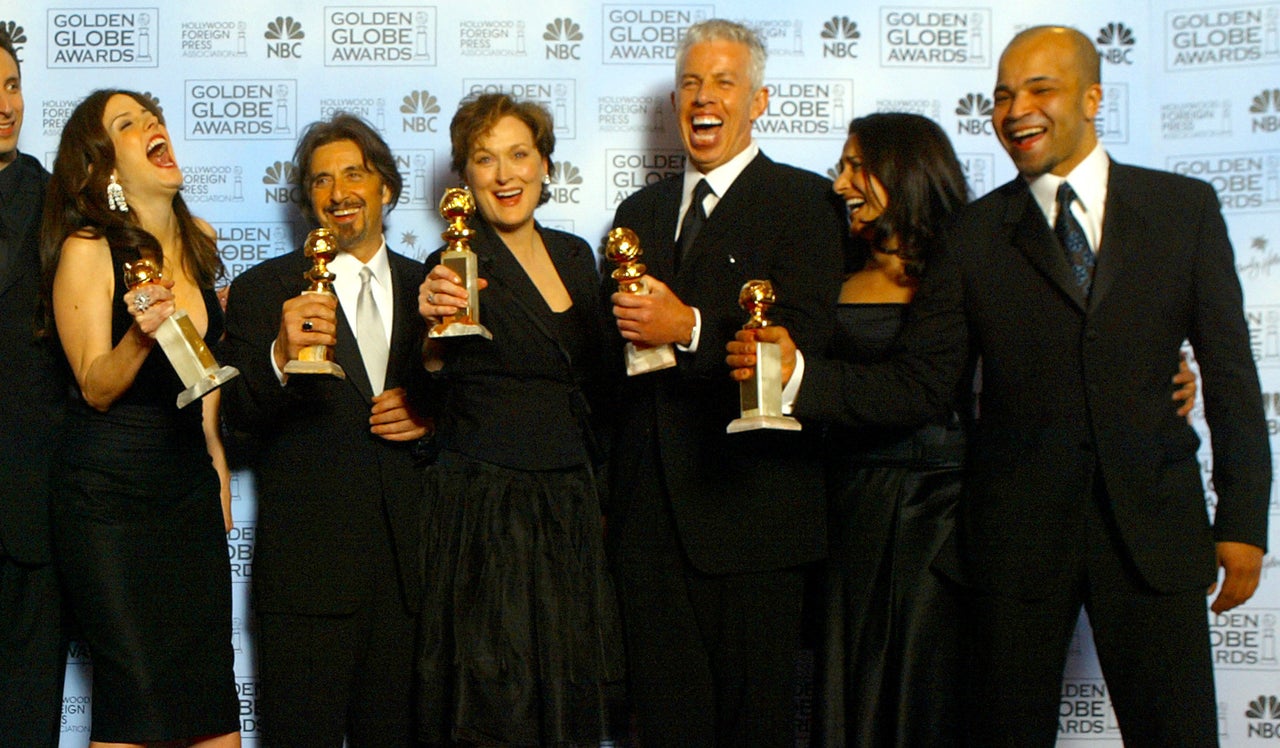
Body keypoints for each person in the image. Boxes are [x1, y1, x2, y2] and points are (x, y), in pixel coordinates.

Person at [730, 25, 1269, 746]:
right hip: (1016, 540)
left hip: (1153, 531)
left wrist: (1240, 523)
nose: (1018, 110)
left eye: (1040, 89)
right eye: (1003, 96)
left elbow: (1232, 374)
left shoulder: (1184, 209)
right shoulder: (975, 233)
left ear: (1092, 96)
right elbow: (921, 384)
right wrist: (794, 377)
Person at [604, 18, 845, 745]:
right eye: (690, 83)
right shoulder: (636, 215)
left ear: (759, 101)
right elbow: (606, 367)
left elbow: (806, 341)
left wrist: (692, 329)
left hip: (755, 521)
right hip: (649, 531)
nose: (703, 98)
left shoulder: (806, 202)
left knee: (755, 728)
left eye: (723, 82)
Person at [416, 92, 623, 746]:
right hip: (488, 509)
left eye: (519, 155)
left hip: (568, 504)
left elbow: (599, 386)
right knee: (495, 702)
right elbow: (423, 388)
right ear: (465, 177)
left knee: (568, 692)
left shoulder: (575, 257)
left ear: (544, 166)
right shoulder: (451, 264)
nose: (505, 175)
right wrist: (429, 335)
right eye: (485, 160)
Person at [219, 112, 431, 747]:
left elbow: (480, 419)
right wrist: (279, 362)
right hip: (307, 584)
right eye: (320, 181)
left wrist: (431, 420)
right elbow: (234, 433)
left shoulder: (436, 287)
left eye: (354, 174)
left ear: (386, 188)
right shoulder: (262, 292)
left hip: (412, 581)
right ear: (307, 200)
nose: (338, 191)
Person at [41, 89, 240, 747]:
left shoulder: (200, 240)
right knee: (137, 704)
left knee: (212, 703)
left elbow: (204, 380)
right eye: (127, 124)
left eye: (152, 115)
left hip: (187, 496)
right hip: (109, 504)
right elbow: (96, 386)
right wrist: (142, 333)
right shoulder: (89, 248)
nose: (152, 124)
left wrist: (215, 471)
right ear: (103, 170)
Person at [0, 29, 68, 748]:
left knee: (26, 716)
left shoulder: (61, 206)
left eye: (13, 85)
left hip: (31, 507)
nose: (4, 104)